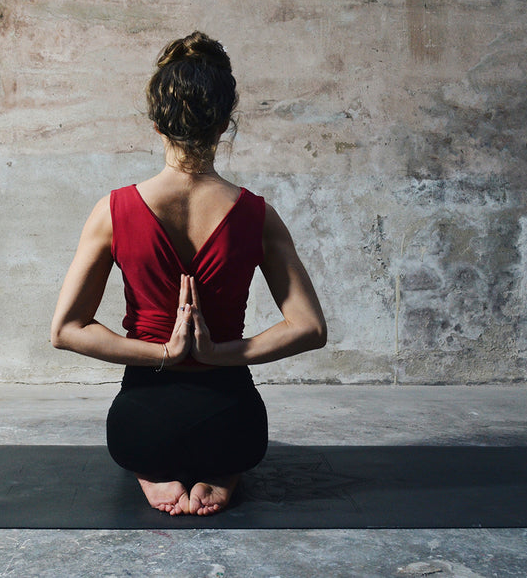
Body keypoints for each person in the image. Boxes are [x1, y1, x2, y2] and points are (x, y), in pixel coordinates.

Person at [51, 31, 327, 516]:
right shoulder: (257, 214)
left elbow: (66, 330)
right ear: (224, 125)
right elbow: (310, 328)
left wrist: (163, 352)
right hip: (235, 430)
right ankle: (223, 473)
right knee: (232, 439)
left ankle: (154, 472)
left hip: (141, 430)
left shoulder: (112, 211)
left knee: (146, 439)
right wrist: (218, 353)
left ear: (156, 124)